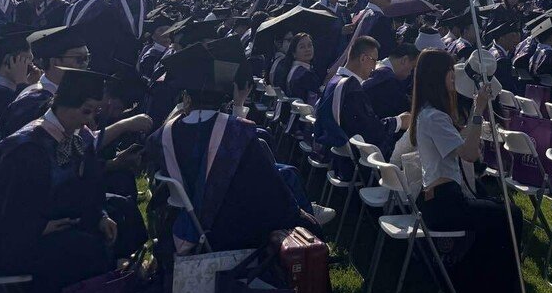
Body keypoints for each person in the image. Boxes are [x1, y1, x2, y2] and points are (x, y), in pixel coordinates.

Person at [0, 69, 149, 293]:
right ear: (62, 105)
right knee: (84, 248)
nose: (90, 121)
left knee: (122, 209)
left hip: (49, 220)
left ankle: (120, 285)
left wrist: (100, 215)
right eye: (85, 111)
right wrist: (39, 226)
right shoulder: (26, 148)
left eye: (95, 112)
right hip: (6, 241)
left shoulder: (76, 137)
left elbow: (88, 186)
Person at [145, 40, 313, 258]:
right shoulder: (238, 132)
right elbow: (272, 193)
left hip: (181, 225)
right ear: (226, 94)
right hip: (231, 230)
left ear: (186, 97)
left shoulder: (161, 136)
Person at [410, 49, 523, 293]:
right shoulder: (434, 116)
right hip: (444, 202)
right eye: (450, 72)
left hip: (437, 198)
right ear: (439, 76)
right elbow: (470, 154)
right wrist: (478, 109)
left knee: (494, 214)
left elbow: (458, 145)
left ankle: (478, 289)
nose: (453, 77)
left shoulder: (427, 113)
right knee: (510, 215)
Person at [314, 35, 409, 167]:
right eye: (374, 61)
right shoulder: (351, 88)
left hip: (333, 153)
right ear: (363, 58)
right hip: (351, 163)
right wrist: (398, 121)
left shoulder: (334, 81)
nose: (375, 67)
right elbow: (369, 130)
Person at [362, 41, 419, 120]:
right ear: (404, 60)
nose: (410, 73)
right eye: (412, 67)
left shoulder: (375, 67)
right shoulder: (388, 81)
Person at [283, 32, 322, 101]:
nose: (307, 49)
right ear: (294, 53)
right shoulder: (305, 75)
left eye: (310, 45)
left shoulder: (292, 69)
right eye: (302, 47)